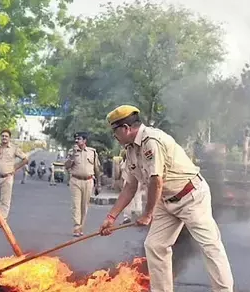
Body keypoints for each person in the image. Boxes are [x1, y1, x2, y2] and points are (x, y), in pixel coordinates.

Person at [100, 105, 234, 292]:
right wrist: (111, 217)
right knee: (155, 245)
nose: (114, 136)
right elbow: (130, 187)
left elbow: (156, 180)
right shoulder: (130, 151)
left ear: (125, 128)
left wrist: (148, 214)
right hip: (166, 201)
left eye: (115, 131)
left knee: (209, 245)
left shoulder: (152, 141)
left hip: (191, 196)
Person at [0, 129, 28, 227]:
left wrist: (15, 167)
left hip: (7, 177)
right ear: (0, 137)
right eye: (2, 136)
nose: (4, 137)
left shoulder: (14, 148)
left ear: (9, 138)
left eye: (6, 136)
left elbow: (25, 159)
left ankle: (2, 220)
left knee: (5, 200)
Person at [65, 132, 102, 237]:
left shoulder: (92, 152)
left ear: (85, 140)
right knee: (76, 205)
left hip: (88, 181)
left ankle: (81, 226)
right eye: (75, 139)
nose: (77, 141)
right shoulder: (72, 152)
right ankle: (76, 227)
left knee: (84, 206)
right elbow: (67, 166)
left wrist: (98, 184)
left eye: (79, 139)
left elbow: (97, 169)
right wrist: (72, 157)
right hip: (75, 181)